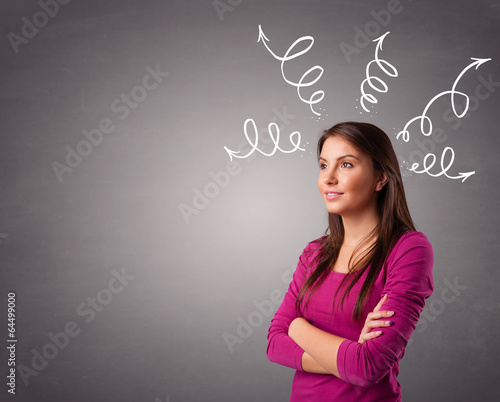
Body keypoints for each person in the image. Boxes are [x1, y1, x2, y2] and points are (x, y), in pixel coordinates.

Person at [267, 122, 434, 401]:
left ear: (380, 177)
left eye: (345, 165)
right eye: (323, 165)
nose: (328, 178)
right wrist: (350, 354)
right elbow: (274, 343)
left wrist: (297, 327)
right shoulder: (314, 254)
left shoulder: (409, 250)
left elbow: (368, 367)